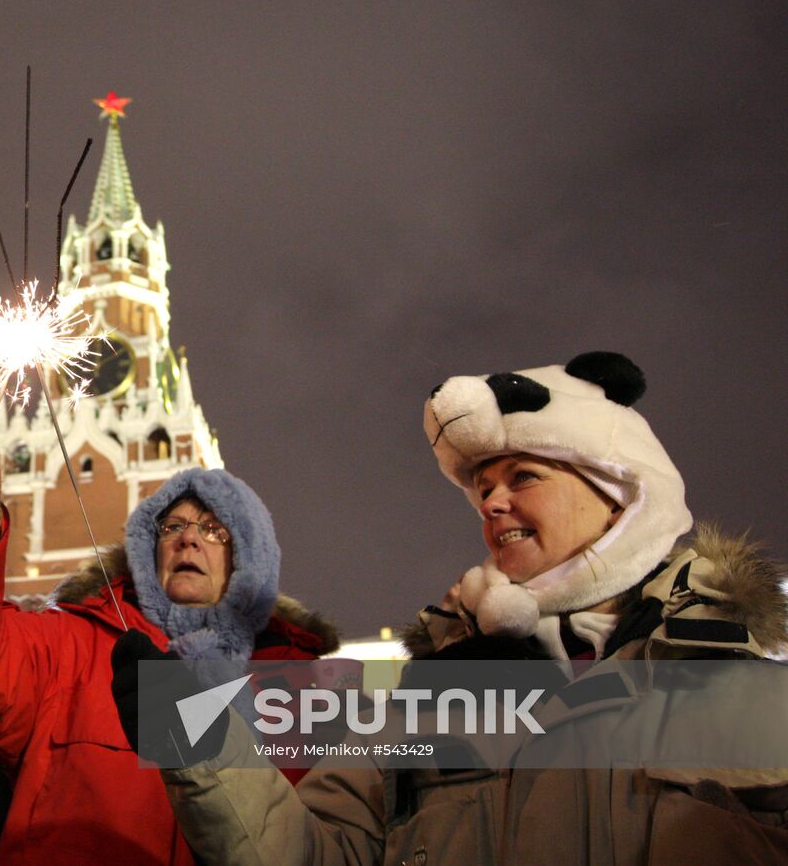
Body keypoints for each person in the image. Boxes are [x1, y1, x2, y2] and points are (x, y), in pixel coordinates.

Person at [128, 351, 788, 864]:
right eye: (483, 488)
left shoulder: (736, 680)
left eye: (524, 477)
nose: (492, 503)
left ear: (619, 496)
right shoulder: (434, 693)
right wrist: (195, 739)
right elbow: (313, 852)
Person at [0, 407, 339, 865]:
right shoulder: (78, 646)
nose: (189, 540)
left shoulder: (310, 693)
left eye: (214, 530)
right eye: (172, 527)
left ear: (251, 558)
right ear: (149, 548)